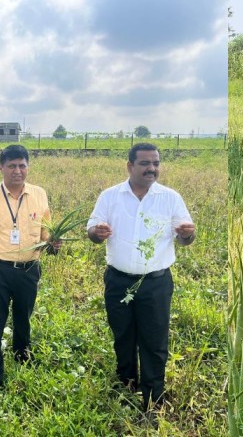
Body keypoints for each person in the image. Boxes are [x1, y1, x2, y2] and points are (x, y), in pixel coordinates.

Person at [87, 143, 196, 412]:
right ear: (130, 166)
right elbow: (92, 230)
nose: (152, 169)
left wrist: (186, 234)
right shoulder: (110, 196)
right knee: (123, 334)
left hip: (155, 283)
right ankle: (126, 383)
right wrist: (96, 233)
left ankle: (153, 394)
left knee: (154, 338)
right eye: (145, 163)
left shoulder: (170, 198)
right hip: (118, 280)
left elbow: (187, 237)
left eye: (156, 163)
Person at [0, 144, 60, 387]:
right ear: (1, 168)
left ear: (28, 167)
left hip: (29, 268)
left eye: (22, 165)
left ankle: (22, 356)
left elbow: (46, 230)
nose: (17, 171)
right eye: (11, 166)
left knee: (23, 318)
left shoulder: (39, 194)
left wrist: (52, 242)